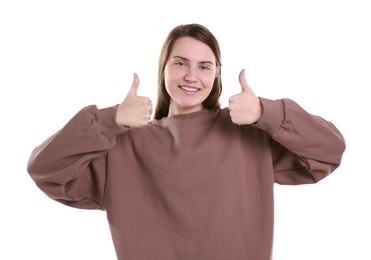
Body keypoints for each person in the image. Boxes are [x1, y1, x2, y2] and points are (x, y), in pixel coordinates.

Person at [27, 23, 346, 260]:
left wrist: (267, 111)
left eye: (204, 66)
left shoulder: (247, 132)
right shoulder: (125, 144)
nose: (192, 76)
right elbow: (46, 170)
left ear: (217, 75)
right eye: (180, 63)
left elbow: (329, 151)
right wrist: (110, 120)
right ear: (163, 69)